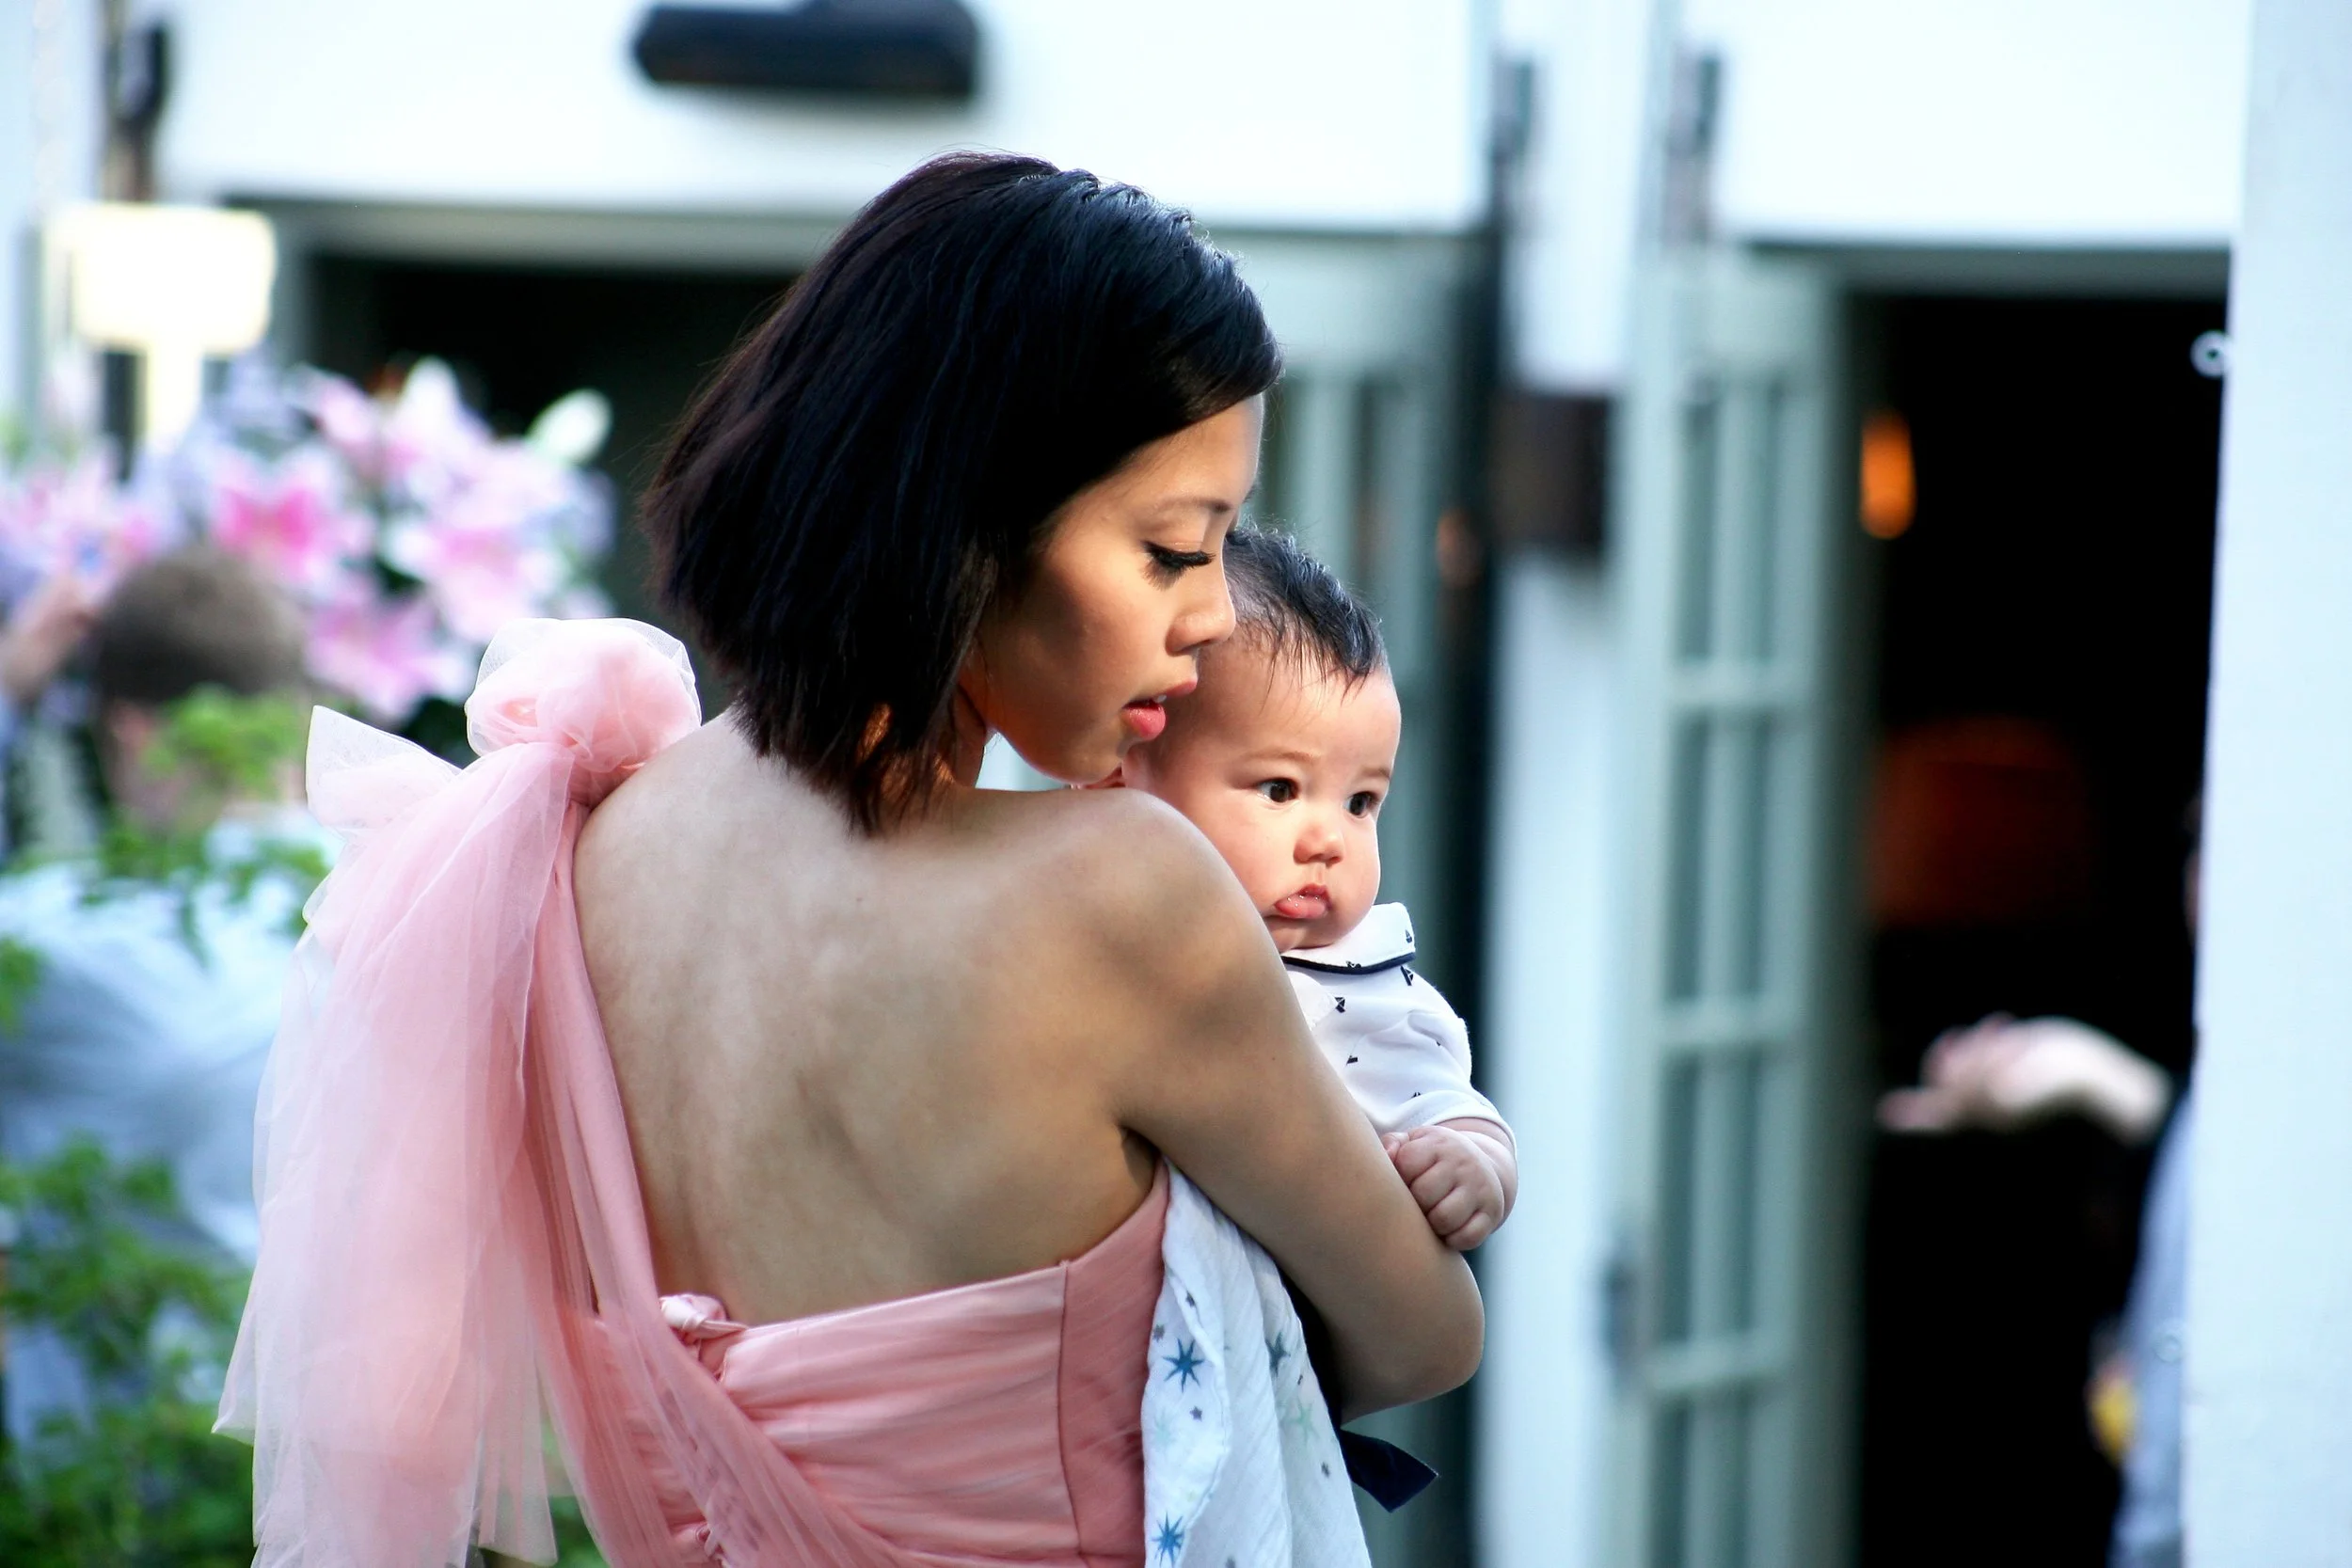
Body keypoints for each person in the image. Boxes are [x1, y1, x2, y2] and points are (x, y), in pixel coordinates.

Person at [221, 153, 1482, 1568]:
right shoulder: (1119, 890)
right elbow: (1422, 1328)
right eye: (1173, 549)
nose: (1208, 620)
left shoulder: (571, 848)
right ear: (976, 520)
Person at [1120, 527, 1516, 1252]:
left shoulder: (1353, 988)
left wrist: (1476, 1164)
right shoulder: (1086, 923)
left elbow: (1449, 1104)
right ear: (1123, 774)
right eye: (1280, 788)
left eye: (1361, 802)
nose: (1328, 840)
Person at [0, 547, 314, 1448]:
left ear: (130, 730)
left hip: (132, 1497)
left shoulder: (64, 941)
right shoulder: (409, 892)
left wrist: (10, 695)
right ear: (298, 708)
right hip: (374, 1484)